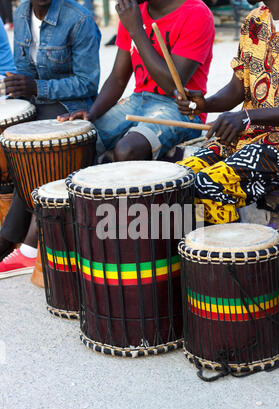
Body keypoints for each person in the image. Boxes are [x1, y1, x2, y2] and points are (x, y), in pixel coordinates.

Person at [176, 0, 279, 225]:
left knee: (208, 185)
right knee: (178, 179)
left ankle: (229, 258)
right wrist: (204, 104)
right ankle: (190, 256)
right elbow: (238, 86)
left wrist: (246, 117)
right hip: (248, 137)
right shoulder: (254, 20)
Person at [0, 0, 101, 278]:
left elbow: (88, 82)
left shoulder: (79, 19)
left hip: (71, 107)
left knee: (36, 148)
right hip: (39, 102)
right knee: (23, 143)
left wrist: (36, 86)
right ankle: (12, 240)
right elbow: (24, 70)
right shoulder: (22, 14)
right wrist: (19, 86)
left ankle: (25, 247)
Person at [59, 0, 215, 163]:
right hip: (139, 99)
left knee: (127, 149)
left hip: (181, 108)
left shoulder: (197, 13)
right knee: (81, 141)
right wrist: (91, 114)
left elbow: (172, 86)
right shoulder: (135, 12)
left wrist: (136, 29)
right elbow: (118, 78)